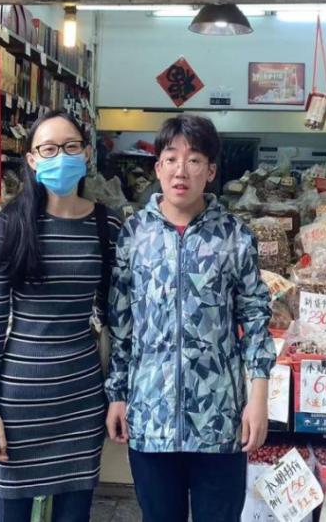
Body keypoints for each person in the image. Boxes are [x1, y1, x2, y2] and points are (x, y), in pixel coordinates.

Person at [105, 114, 276, 522]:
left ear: (211, 171)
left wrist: (258, 398)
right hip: (151, 416)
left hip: (219, 418)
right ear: (157, 167)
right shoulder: (134, 234)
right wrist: (117, 395)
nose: (181, 170)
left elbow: (255, 317)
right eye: (171, 158)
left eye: (195, 159)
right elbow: (122, 321)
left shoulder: (235, 236)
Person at [0, 111, 120, 522]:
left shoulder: (106, 224)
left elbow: (116, 314)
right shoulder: (10, 225)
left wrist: (119, 392)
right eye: (49, 148)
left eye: (70, 146)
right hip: (19, 400)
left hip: (81, 399)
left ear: (86, 153)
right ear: (32, 159)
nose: (61, 156)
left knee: (74, 515)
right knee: (10, 513)